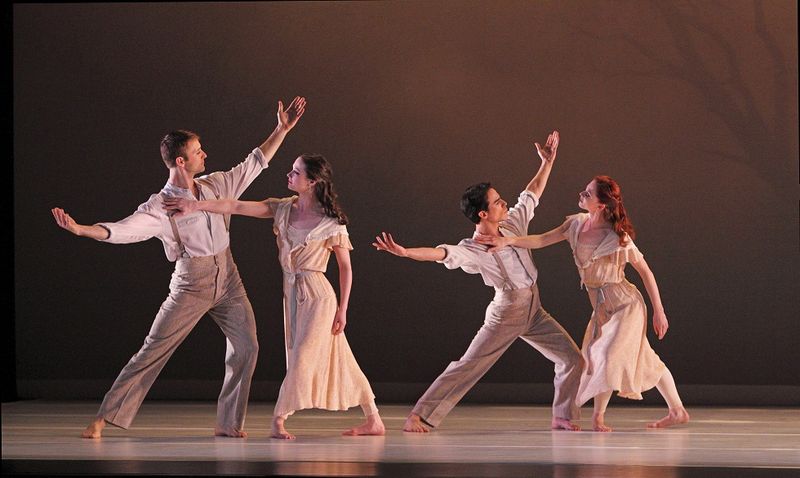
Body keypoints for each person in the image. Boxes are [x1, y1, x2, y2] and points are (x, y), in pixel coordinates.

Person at [50, 96, 306, 439]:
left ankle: (228, 423)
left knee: (247, 346)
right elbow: (123, 230)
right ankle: (102, 418)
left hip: (228, 278)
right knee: (153, 348)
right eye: (198, 151)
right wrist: (82, 229)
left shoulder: (216, 184)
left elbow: (254, 163)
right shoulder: (160, 206)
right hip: (191, 283)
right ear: (181, 161)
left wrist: (281, 129)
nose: (205, 154)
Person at [162, 153, 385, 440]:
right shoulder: (283, 208)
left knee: (302, 359)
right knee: (340, 357)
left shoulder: (331, 222)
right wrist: (195, 205)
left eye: (296, 172)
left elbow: (345, 268)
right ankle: (374, 419)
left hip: (318, 297)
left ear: (312, 182)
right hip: (292, 294)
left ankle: (279, 419)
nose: (289, 175)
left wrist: (343, 309)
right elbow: (236, 205)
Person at [373, 131, 584, 433]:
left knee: (572, 358)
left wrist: (547, 163)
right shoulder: (473, 249)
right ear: (483, 213)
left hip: (534, 309)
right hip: (507, 312)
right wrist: (406, 252)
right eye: (497, 202)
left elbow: (531, 193)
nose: (504, 203)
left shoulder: (512, 223)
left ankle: (562, 415)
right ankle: (419, 415)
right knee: (469, 365)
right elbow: (442, 253)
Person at [475, 175, 690, 431]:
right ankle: (677, 410)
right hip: (602, 309)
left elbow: (646, 272)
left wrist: (659, 312)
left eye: (588, 194)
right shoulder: (576, 224)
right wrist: (508, 240)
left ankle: (598, 417)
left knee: (604, 355)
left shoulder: (617, 237)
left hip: (626, 305)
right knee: (640, 358)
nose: (582, 194)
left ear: (601, 205)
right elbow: (542, 239)